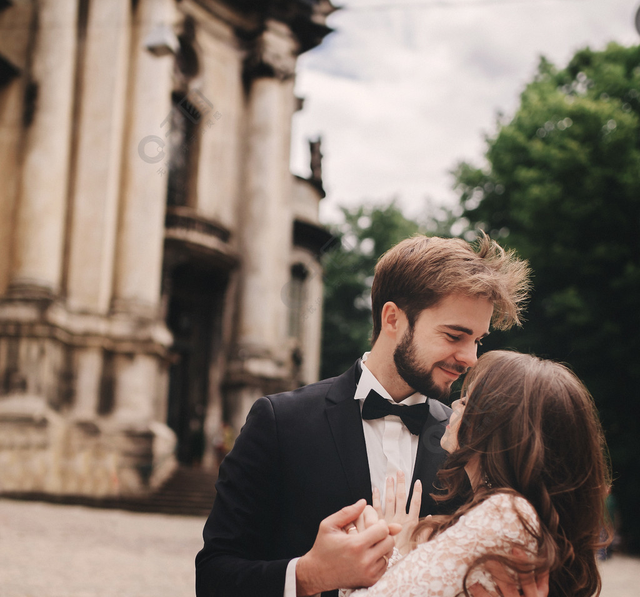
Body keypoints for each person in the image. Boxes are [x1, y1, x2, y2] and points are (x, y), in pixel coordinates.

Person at [195, 234, 531, 597]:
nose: (471, 358)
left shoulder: (467, 442)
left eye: (478, 340)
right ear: (393, 319)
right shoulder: (279, 421)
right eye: (454, 336)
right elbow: (214, 577)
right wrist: (308, 575)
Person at [342, 350, 610, 597]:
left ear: (500, 429)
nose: (457, 403)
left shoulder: (506, 512)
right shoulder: (512, 516)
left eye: (469, 399)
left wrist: (381, 558)